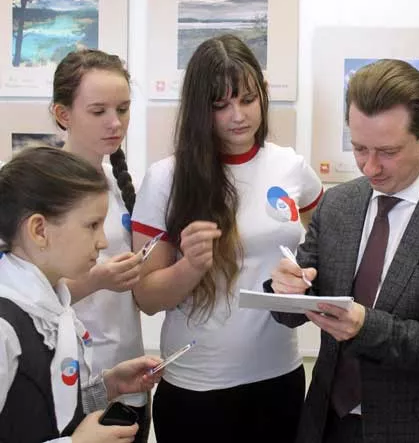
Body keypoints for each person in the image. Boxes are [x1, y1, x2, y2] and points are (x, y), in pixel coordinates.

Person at [269, 59, 419, 443]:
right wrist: (283, 288)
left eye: (388, 151)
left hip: (414, 431)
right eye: (359, 148)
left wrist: (366, 327)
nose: (370, 167)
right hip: (325, 423)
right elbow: (292, 309)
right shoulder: (337, 204)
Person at [130, 34, 323, 442]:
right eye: (221, 105)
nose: (238, 115)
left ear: (263, 94)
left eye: (248, 99)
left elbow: (329, 245)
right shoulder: (166, 178)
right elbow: (146, 298)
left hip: (280, 377)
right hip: (198, 388)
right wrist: (190, 267)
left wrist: (307, 277)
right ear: (200, 108)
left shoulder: (290, 166)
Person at [0, 146, 162, 443]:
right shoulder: (5, 326)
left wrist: (109, 387)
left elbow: (46, 408)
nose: (103, 242)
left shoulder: (53, 305)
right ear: (39, 230)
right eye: (92, 226)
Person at [50, 49, 149, 442]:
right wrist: (98, 280)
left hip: (128, 378)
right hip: (64, 385)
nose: (115, 122)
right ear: (63, 114)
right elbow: (19, 297)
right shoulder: (34, 190)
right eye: (98, 111)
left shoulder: (121, 184)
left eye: (123, 109)